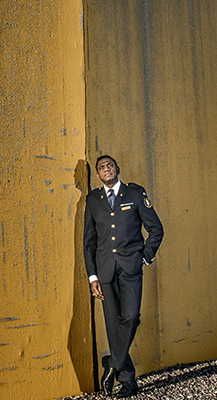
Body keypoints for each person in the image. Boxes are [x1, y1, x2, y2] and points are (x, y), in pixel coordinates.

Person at [83, 154, 163, 398]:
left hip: (130, 269)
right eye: (101, 168)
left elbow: (156, 229)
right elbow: (88, 242)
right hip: (104, 271)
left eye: (109, 165)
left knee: (130, 317)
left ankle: (113, 364)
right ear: (98, 175)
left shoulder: (135, 194)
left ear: (117, 168)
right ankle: (127, 380)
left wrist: (144, 256)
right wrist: (92, 277)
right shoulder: (93, 200)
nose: (106, 169)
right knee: (112, 325)